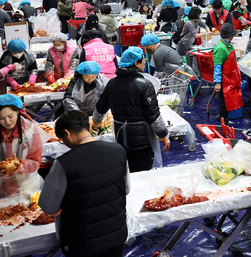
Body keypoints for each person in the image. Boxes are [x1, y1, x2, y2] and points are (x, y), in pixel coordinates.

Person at [39, 109, 128, 257]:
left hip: (82, 242)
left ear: (67, 133)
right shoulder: (118, 150)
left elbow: (48, 206)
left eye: (62, 139)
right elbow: (125, 189)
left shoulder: (63, 164)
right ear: (90, 128)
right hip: (116, 234)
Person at [94, 47, 169, 171]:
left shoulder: (111, 83)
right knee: (143, 174)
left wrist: (96, 122)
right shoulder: (144, 84)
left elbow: (101, 107)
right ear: (136, 63)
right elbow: (153, 114)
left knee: (128, 172)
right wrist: (163, 134)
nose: (145, 63)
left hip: (120, 137)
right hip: (142, 140)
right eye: (143, 60)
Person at [0, 94, 42, 196]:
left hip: (26, 187)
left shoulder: (31, 131)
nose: (7, 122)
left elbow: (35, 161)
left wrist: (19, 166)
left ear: (18, 111)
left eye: (10, 116)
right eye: (1, 118)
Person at [212, 24, 243, 124]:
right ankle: (223, 121)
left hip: (232, 78)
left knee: (232, 100)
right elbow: (217, 66)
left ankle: (221, 117)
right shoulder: (221, 48)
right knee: (225, 102)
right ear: (230, 34)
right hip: (225, 80)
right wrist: (217, 83)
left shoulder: (228, 44)